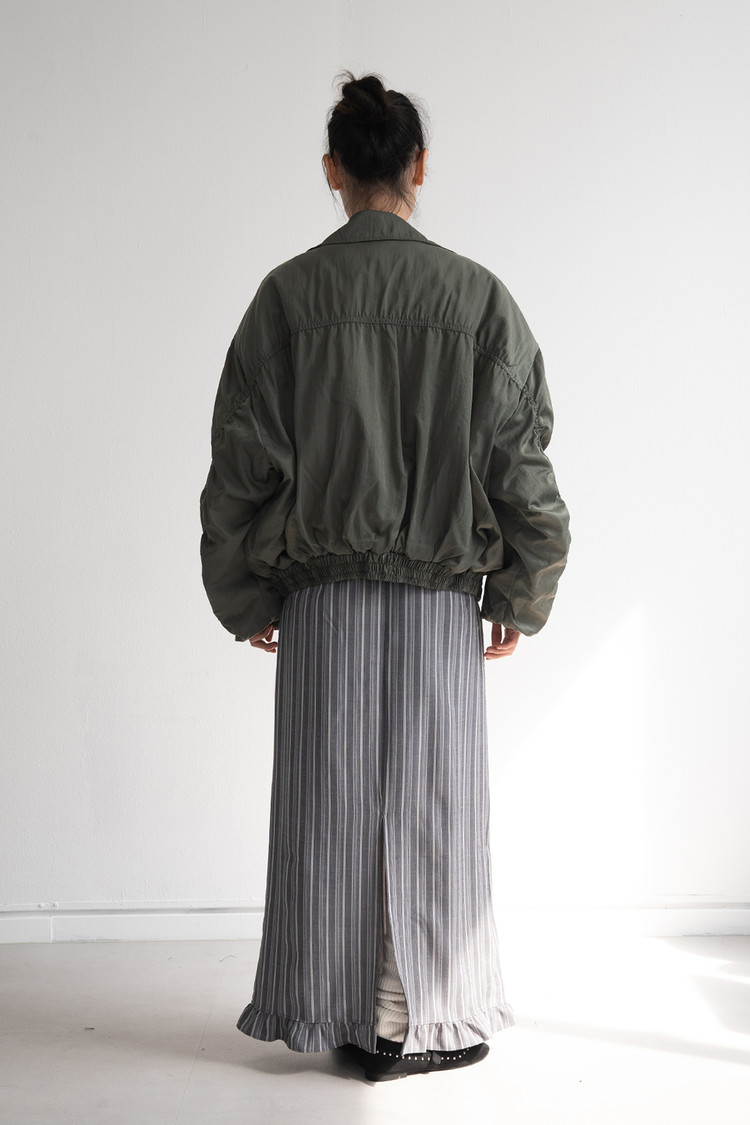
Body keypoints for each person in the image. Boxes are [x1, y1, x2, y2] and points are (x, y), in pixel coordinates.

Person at [199, 69, 571, 1083]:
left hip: (321, 597)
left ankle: (345, 1013)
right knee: (434, 806)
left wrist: (245, 590)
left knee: (328, 805)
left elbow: (240, 462)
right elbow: (522, 464)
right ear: (419, 167)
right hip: (440, 599)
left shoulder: (288, 299)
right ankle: (415, 1016)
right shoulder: (477, 300)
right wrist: (523, 589)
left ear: (333, 170)